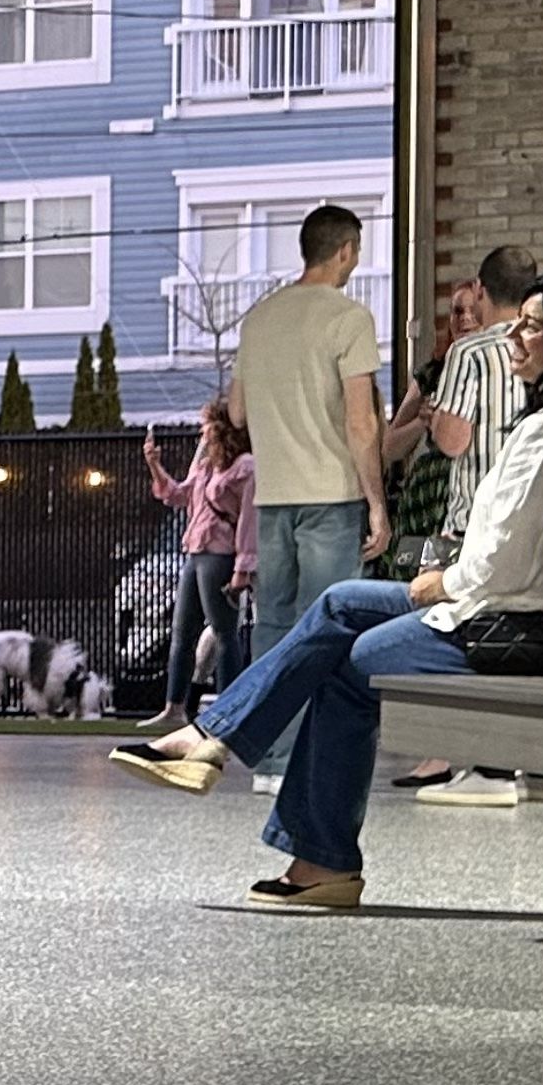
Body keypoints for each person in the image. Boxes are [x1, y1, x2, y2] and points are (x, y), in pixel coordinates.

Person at [107, 268, 543, 907]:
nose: (513, 333)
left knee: (346, 660)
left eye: (533, 325)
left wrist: (440, 583)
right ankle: (225, 757)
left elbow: (506, 565)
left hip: (518, 627)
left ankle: (281, 818)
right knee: (340, 607)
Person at [393, 246, 543, 807]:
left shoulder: (471, 351)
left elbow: (454, 440)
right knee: (530, 640)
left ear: (485, 293)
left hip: (475, 523)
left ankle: (486, 767)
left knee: (474, 641)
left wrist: (437, 415)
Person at [226, 203, 388, 790]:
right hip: (330, 495)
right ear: (345, 251)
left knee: (271, 627)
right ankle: (309, 764)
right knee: (322, 631)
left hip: (273, 497)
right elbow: (361, 423)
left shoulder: (259, 319)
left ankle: (268, 760)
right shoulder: (349, 318)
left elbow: (237, 410)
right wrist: (376, 502)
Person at [144, 398, 253, 715]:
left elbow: (248, 520)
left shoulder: (244, 467)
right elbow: (177, 495)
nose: (201, 433)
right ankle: (173, 708)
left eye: (206, 426)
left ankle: (227, 710)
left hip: (219, 553)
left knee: (223, 633)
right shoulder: (205, 467)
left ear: (220, 429)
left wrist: (242, 569)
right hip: (195, 551)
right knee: (183, 632)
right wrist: (154, 465)